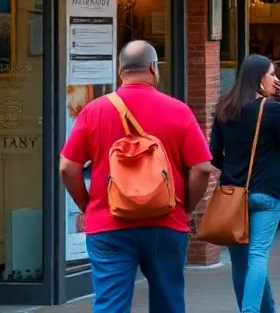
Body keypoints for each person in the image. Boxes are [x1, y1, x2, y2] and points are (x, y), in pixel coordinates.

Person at [60, 41, 214, 313]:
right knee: (168, 302)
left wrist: (88, 206)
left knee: (110, 305)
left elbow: (67, 167)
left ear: (121, 71)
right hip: (166, 222)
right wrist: (185, 208)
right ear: (154, 68)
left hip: (108, 224)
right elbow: (202, 168)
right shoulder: (178, 110)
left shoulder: (94, 110)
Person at [210, 54, 280, 312]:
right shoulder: (271, 108)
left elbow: (214, 156)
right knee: (258, 256)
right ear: (260, 77)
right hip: (267, 193)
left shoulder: (224, 107)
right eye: (272, 74)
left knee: (240, 263)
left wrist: (235, 172)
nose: (276, 79)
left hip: (232, 194)